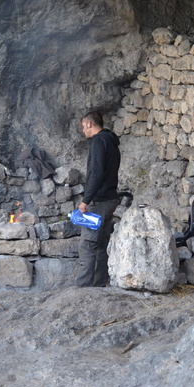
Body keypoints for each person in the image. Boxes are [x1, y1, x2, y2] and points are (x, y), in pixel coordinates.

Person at [76, 110, 121, 287]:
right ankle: (99, 282)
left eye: (83, 127)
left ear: (89, 124)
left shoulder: (98, 141)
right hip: (110, 199)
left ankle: (83, 287)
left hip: (99, 201)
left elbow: (96, 173)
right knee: (101, 243)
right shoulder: (111, 141)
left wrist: (86, 200)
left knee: (87, 244)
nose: (83, 131)